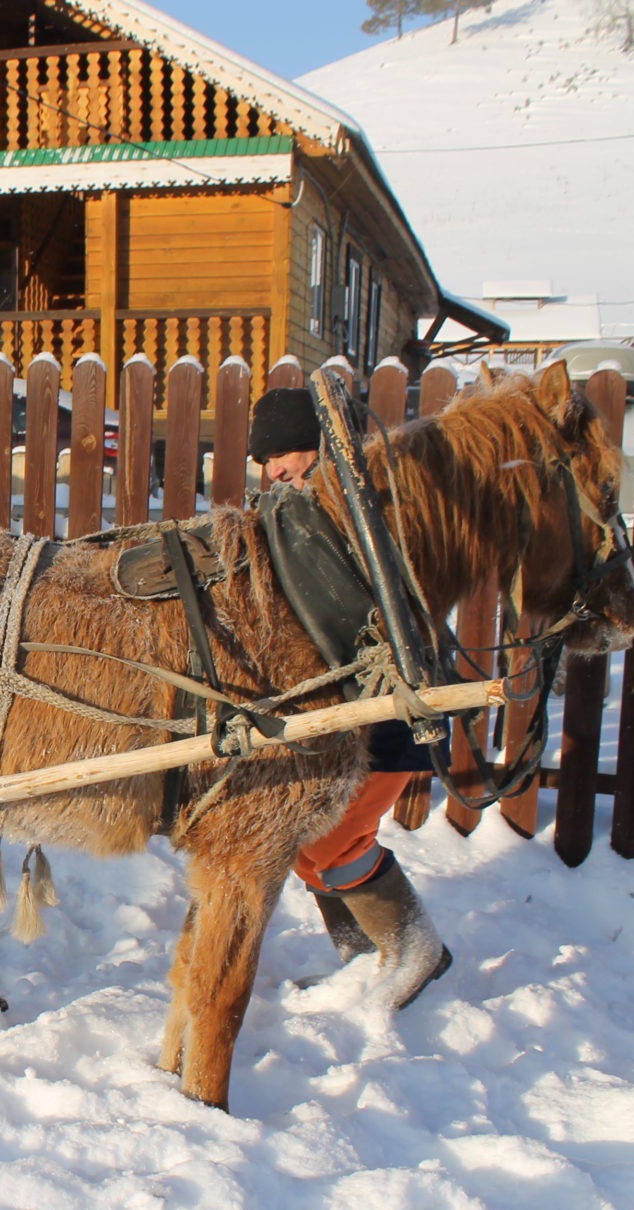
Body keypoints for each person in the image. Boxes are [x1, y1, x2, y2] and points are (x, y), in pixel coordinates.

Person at [248, 385, 452, 1007]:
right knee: (311, 846)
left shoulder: (364, 508)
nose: (272, 469)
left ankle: (415, 953)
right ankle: (368, 962)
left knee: (335, 841)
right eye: (265, 459)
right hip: (336, 711)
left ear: (316, 446)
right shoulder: (298, 513)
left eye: (284, 453)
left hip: (391, 707)